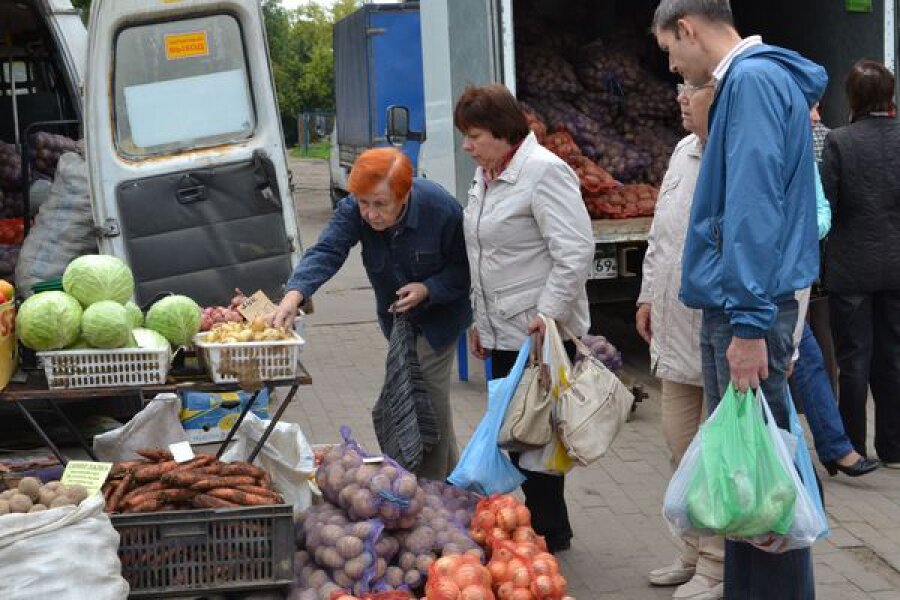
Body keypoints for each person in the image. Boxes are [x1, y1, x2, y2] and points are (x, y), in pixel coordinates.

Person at [653, 1, 826, 597]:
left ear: (687, 28)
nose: (674, 68)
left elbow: (753, 208)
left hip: (746, 308)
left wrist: (749, 327)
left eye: (670, 52)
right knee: (748, 473)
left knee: (760, 477)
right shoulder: (759, 80)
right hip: (744, 303)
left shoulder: (750, 82)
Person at [270, 147, 472, 480]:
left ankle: (425, 492)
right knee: (423, 403)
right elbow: (327, 250)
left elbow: (465, 270)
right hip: (396, 322)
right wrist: (295, 294)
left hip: (440, 318)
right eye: (363, 203)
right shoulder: (355, 207)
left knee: (426, 406)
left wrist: (428, 289)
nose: (370, 214)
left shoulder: (441, 210)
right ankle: (454, 485)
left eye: (380, 205)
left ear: (404, 194)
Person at [453, 83, 594, 554]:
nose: (467, 146)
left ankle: (547, 537)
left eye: (474, 136)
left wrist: (547, 314)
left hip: (539, 333)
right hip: (502, 330)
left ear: (503, 132)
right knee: (520, 436)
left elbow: (574, 252)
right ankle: (546, 529)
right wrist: (480, 320)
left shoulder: (543, 172)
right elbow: (483, 254)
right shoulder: (488, 174)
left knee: (535, 440)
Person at [638, 80, 724, 600]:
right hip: (674, 333)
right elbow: (661, 234)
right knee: (678, 446)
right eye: (676, 89)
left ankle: (716, 564)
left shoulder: (734, 157)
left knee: (715, 458)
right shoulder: (680, 151)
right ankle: (691, 550)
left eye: (689, 89)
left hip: (717, 338)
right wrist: (648, 295)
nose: (678, 98)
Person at [821, 59, 900, 469]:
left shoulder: (840, 142)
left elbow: (826, 207)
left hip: (851, 268)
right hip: (896, 267)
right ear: (890, 97)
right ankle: (895, 446)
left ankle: (852, 448)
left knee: (853, 358)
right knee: (893, 355)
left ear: (851, 98)